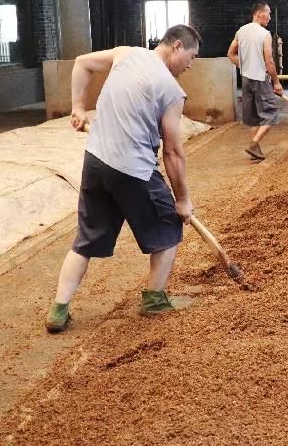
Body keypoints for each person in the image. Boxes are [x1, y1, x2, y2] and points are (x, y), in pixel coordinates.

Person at [45, 24, 202, 333]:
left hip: (96, 162)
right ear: (178, 46)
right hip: (133, 170)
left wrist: (78, 107)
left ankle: (58, 309)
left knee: (85, 239)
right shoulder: (171, 90)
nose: (190, 65)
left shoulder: (125, 54)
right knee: (169, 224)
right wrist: (182, 200)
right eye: (192, 57)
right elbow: (172, 152)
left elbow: (82, 63)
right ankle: (155, 301)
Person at [227, 2, 283, 161]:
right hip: (260, 79)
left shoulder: (241, 31)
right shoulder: (264, 34)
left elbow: (230, 54)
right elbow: (269, 62)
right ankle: (254, 143)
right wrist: (276, 82)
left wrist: (244, 66)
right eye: (268, 13)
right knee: (270, 115)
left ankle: (255, 151)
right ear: (259, 14)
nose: (270, 18)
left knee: (253, 118)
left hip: (246, 79)